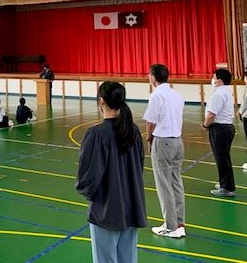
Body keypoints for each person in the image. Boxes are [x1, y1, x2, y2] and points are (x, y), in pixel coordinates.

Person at [76, 82, 147, 263]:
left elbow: (88, 177)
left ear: (101, 101)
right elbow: (139, 166)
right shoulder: (133, 131)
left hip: (106, 209)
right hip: (131, 203)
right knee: (128, 258)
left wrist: (90, 195)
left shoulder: (97, 134)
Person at [143, 63, 186, 238]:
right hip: (178, 142)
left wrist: (149, 139)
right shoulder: (177, 95)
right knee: (176, 183)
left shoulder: (156, 95)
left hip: (163, 142)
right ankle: (179, 223)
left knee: (164, 185)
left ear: (153, 77)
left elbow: (150, 122)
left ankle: (170, 226)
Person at [203, 68, 236, 197]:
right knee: (223, 158)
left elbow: (211, 114)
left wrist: (205, 125)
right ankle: (225, 183)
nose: (212, 79)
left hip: (220, 128)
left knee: (222, 159)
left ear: (219, 81)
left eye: (214, 77)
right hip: (226, 127)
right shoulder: (226, 91)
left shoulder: (219, 94)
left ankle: (226, 188)